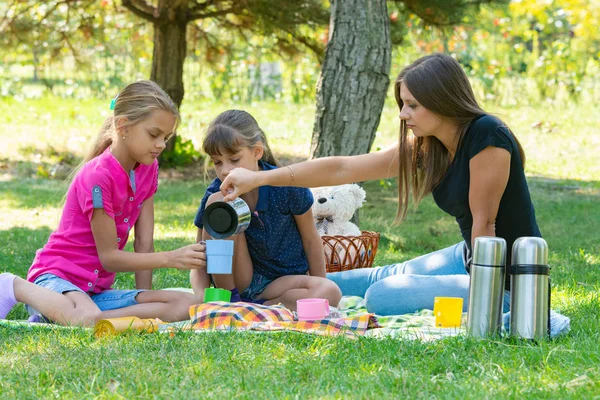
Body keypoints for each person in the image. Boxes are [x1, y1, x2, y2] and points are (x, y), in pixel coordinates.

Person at [218, 54, 542, 316]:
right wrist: (261, 177)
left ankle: (489, 301)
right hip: (468, 255)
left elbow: (486, 223)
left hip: (505, 281)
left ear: (442, 100)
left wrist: (486, 302)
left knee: (382, 296)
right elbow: (342, 168)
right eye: (403, 103)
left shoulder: (487, 134)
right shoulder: (431, 146)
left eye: (413, 104)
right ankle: (257, 301)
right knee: (336, 284)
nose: (403, 114)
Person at [0, 80, 206, 326]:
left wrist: (146, 300)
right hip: (55, 279)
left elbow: (144, 242)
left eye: (166, 137)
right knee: (87, 316)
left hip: (94, 294)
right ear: (123, 126)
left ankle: (60, 317)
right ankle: (11, 286)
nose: (161, 144)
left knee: (188, 304)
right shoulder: (98, 176)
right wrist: (171, 258)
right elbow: (109, 258)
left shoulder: (148, 170)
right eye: (154, 134)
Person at [190, 109, 341, 310]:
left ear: (257, 152)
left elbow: (311, 240)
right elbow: (200, 253)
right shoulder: (215, 193)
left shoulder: (287, 186)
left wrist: (320, 287)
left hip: (282, 282)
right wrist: (203, 296)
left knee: (330, 291)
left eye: (234, 159)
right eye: (218, 162)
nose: (225, 170)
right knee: (220, 203)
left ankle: (259, 306)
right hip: (242, 280)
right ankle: (229, 301)